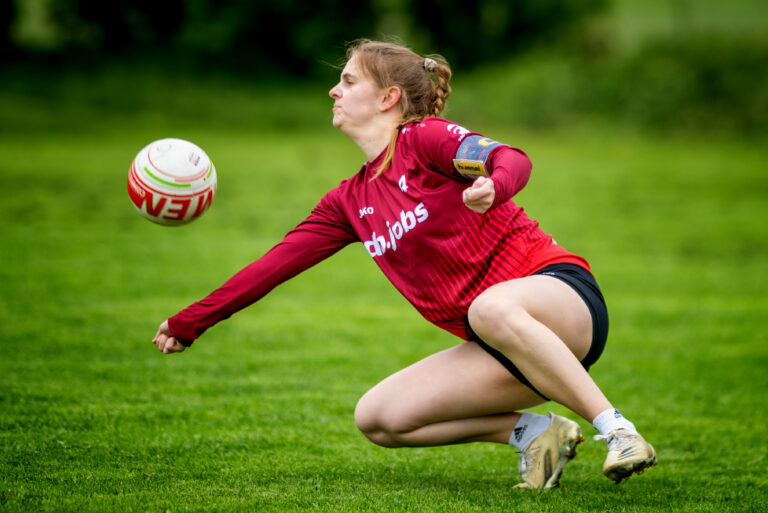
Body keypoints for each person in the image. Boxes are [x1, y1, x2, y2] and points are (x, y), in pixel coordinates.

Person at [152, 39, 656, 489]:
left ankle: (620, 431)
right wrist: (190, 322)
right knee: (379, 418)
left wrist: (493, 185)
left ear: (389, 97)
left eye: (347, 81)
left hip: (560, 298)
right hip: (503, 340)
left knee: (489, 309)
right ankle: (537, 434)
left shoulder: (425, 140)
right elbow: (272, 267)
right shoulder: (348, 201)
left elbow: (512, 158)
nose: (333, 91)